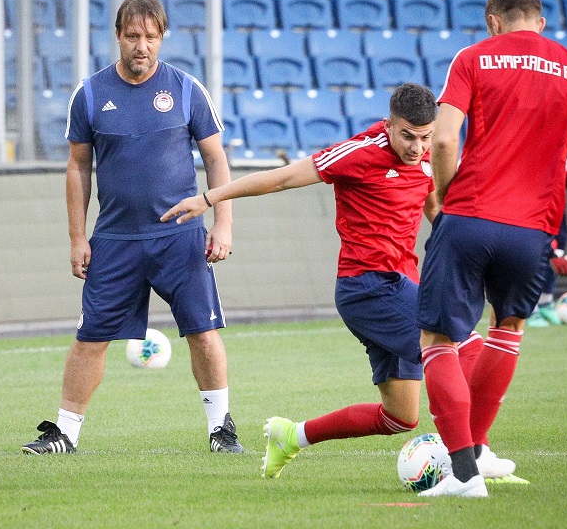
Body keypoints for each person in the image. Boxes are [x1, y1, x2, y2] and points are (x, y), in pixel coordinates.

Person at [163, 83, 510, 483]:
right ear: (389, 125)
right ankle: (472, 458)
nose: (417, 147)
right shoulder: (359, 153)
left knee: (401, 416)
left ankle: (292, 436)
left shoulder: (430, 159)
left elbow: (435, 209)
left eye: (426, 138)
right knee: (465, 345)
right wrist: (209, 199)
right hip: (369, 288)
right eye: (408, 137)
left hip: (402, 285)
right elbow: (282, 179)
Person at [414, 0, 567, 498]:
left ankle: (463, 476)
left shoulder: (474, 57)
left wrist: (444, 196)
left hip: (470, 215)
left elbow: (441, 137)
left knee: (439, 341)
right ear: (540, 23)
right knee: (507, 331)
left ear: (493, 22)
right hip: (534, 229)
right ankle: (478, 452)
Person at [22, 0, 243, 455]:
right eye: (132, 36)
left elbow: (216, 159)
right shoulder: (89, 94)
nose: (141, 45)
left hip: (180, 235)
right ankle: (65, 433)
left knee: (203, 332)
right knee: (91, 338)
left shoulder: (186, 89)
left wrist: (222, 224)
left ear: (162, 37)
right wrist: (77, 237)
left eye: (150, 36)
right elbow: (77, 168)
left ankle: (221, 429)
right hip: (116, 240)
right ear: (118, 37)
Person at [527, 131, 567, 327]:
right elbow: (542, 207)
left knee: (559, 244)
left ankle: (545, 302)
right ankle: (529, 309)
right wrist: (553, 250)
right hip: (535, 202)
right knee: (539, 253)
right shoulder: (560, 159)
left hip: (555, 204)